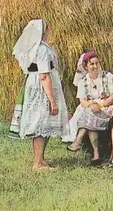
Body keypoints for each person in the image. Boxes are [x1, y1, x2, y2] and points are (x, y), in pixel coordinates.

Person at [9, 19, 69, 170]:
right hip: (42, 89)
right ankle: (37, 162)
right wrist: (52, 100)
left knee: (46, 123)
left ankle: (40, 159)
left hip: (36, 85)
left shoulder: (35, 48)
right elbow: (44, 75)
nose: (48, 31)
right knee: (41, 122)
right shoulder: (40, 49)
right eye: (46, 29)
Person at [63, 50, 113, 165]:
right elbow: (82, 101)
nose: (95, 66)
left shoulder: (108, 76)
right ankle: (96, 154)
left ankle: (78, 142)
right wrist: (90, 105)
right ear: (86, 66)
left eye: (97, 63)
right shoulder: (83, 81)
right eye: (91, 64)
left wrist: (100, 104)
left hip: (105, 107)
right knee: (88, 112)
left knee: (89, 113)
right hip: (89, 107)